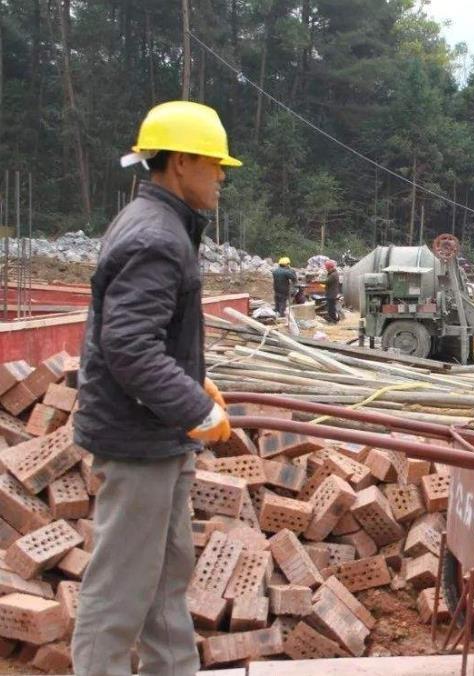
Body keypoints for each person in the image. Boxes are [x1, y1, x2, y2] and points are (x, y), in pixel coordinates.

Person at [71, 100, 236, 675]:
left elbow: (144, 335)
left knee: (166, 578)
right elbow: (129, 347)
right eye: (215, 164)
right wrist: (193, 406)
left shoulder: (162, 225)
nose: (221, 176)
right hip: (137, 441)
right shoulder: (157, 237)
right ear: (182, 161)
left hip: (155, 435)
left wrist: (197, 381)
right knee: (120, 589)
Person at [323, 259, 341, 323]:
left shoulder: (333, 275)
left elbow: (327, 281)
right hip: (331, 293)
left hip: (331, 294)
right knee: (331, 307)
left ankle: (334, 320)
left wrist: (317, 281)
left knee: (331, 308)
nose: (327, 269)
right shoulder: (332, 273)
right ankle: (335, 319)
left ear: (330, 267)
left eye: (327, 268)